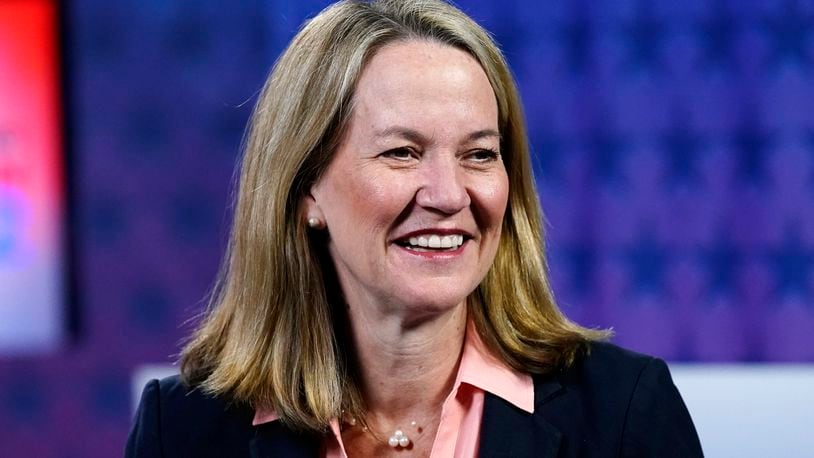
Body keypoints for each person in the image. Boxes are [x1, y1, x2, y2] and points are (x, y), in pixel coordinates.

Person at [126, 0, 703, 456]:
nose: (450, 195)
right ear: (306, 189)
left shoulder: (625, 413)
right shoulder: (180, 429)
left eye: (479, 154)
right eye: (402, 152)